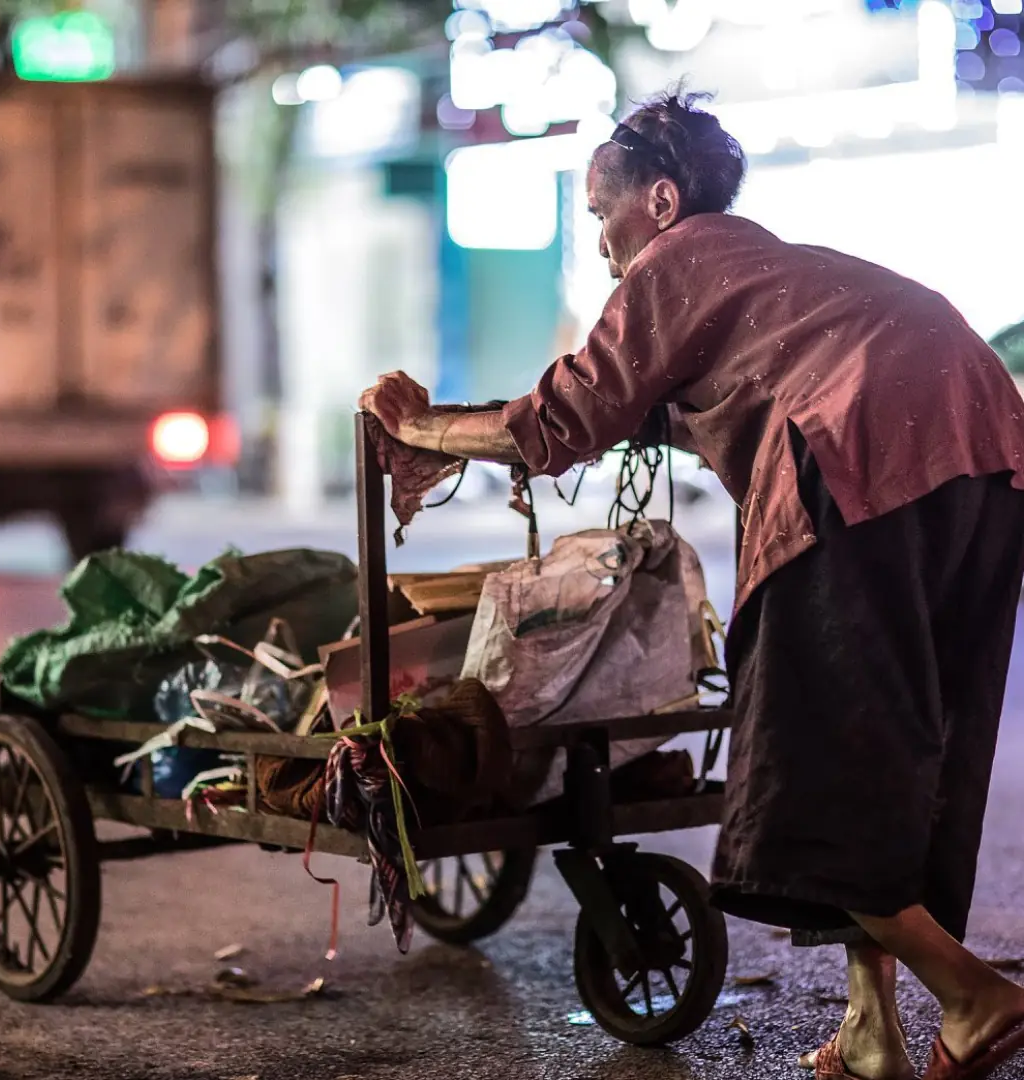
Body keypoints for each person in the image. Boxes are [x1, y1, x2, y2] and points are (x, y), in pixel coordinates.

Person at [359, 90, 1024, 1080]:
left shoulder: (680, 262)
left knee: (809, 752)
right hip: (986, 449)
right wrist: (471, 421)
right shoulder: (767, 272)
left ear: (660, 203)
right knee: (894, 743)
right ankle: (872, 1025)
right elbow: (629, 414)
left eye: (600, 216)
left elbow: (568, 416)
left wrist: (417, 431)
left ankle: (972, 995)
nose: (600, 245)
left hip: (861, 453)